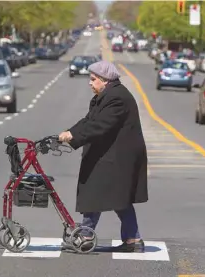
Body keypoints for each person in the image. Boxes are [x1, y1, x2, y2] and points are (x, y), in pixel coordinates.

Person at [59, 61, 148, 253]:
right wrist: (69, 131)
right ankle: (133, 240)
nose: (90, 83)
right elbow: (89, 120)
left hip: (119, 156)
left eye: (93, 79)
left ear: (105, 80)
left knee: (99, 192)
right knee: (117, 197)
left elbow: (101, 125)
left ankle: (86, 236)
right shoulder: (105, 96)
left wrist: (73, 136)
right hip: (111, 154)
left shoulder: (117, 98)